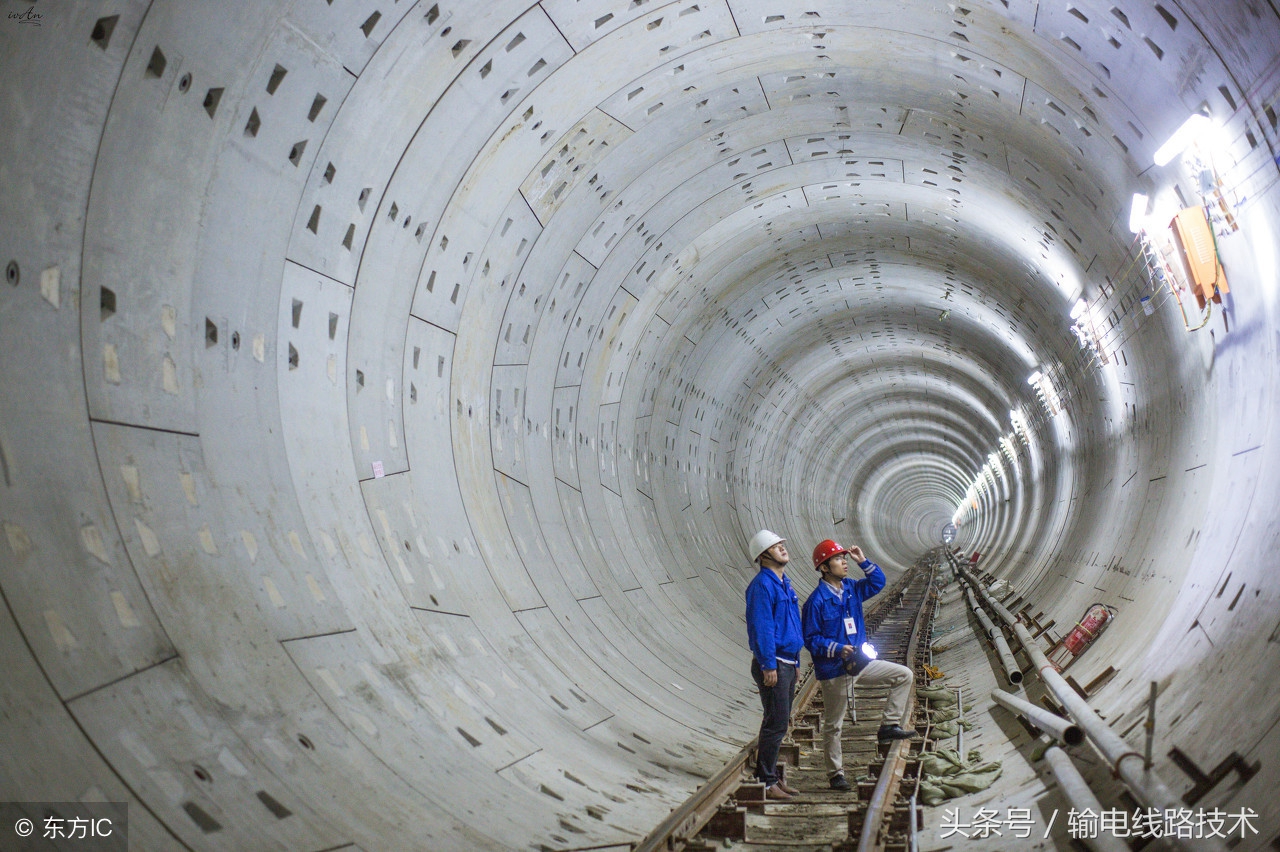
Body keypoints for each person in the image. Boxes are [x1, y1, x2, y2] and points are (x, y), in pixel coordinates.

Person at [801, 539, 918, 791]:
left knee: (904, 675)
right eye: (838, 559)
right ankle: (836, 774)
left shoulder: (852, 589)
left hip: (860, 663)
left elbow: (878, 583)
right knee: (834, 725)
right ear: (824, 567)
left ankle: (888, 725)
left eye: (844, 558)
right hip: (835, 670)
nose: (844, 562)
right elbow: (811, 640)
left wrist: (862, 561)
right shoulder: (816, 602)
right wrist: (837, 648)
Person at [744, 529, 803, 800]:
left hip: (787, 661)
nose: (782, 547)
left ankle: (772, 778)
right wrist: (768, 665)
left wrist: (797, 660)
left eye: (782, 543)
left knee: (780, 722)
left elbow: (790, 624)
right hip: (774, 663)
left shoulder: (784, 583)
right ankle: (766, 781)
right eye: (776, 545)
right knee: (775, 723)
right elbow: (762, 628)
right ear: (763, 554)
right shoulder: (762, 586)